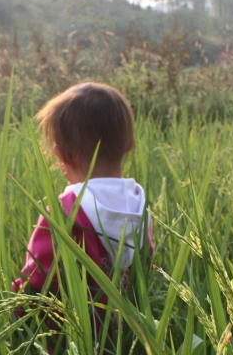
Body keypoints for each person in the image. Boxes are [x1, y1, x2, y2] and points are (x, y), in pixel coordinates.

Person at [12, 82, 153, 324]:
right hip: (127, 344)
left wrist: (8, 304)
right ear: (128, 145)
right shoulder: (140, 208)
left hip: (68, 349)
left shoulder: (63, 213)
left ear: (61, 156)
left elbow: (36, 283)